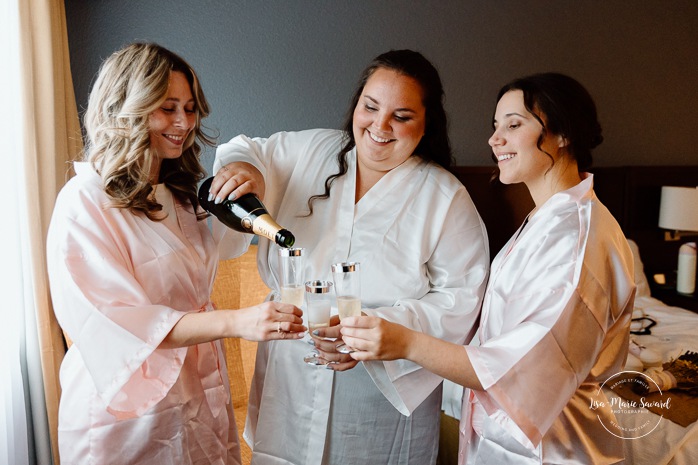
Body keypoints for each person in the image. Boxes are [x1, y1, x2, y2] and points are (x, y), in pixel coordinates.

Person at [207, 49, 489, 464]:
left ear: (427, 123)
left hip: (380, 391)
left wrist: (380, 333)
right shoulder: (315, 150)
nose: (380, 126)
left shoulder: (444, 197)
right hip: (292, 370)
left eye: (402, 116)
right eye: (370, 107)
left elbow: (461, 298)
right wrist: (249, 172)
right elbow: (248, 150)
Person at [341, 72, 636, 464]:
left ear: (563, 134)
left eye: (514, 125)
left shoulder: (575, 238)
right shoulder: (546, 220)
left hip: (555, 450)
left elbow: (518, 367)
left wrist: (404, 342)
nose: (495, 139)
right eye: (495, 126)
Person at [46, 42, 305, 465]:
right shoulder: (85, 202)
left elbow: (240, 231)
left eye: (190, 108)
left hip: (198, 395)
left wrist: (249, 175)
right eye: (167, 108)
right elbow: (123, 323)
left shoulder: (185, 195)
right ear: (126, 107)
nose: (184, 123)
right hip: (126, 408)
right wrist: (239, 322)